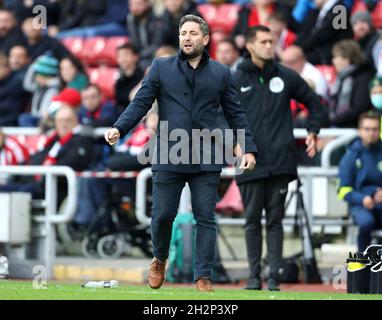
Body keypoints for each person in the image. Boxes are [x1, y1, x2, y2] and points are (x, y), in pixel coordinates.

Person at [104, 14, 257, 292]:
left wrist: (246, 148)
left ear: (206, 39)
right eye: (183, 33)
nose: (186, 37)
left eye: (193, 33)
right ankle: (159, 258)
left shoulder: (222, 73)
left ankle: (203, 276)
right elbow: (141, 103)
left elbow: (236, 114)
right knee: (162, 215)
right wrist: (119, 128)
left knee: (205, 217)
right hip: (168, 153)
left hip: (207, 155)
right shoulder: (161, 67)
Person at [233, 25, 322, 291]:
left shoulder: (286, 75)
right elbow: (216, 113)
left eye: (271, 41)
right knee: (251, 220)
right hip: (249, 161)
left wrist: (313, 131)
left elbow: (315, 103)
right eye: (263, 41)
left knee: (275, 221)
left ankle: (273, 278)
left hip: (282, 161)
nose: (270, 46)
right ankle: (252, 277)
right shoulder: (235, 79)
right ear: (250, 46)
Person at [338, 111, 382, 251]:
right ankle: (363, 261)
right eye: (367, 129)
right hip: (360, 205)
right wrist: (362, 199)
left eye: (375, 129)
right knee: (366, 223)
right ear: (360, 131)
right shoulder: (350, 156)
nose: (371, 133)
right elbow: (343, 190)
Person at [327, 39, 374, 128]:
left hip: (353, 128)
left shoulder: (362, 77)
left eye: (336, 57)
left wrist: (335, 119)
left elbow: (360, 108)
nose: (333, 61)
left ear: (346, 59)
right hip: (338, 126)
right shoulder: (340, 78)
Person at [351, 11, 382, 75]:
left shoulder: (377, 38)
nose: (360, 26)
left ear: (370, 24)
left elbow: (366, 61)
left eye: (363, 22)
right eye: (356, 23)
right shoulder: (356, 44)